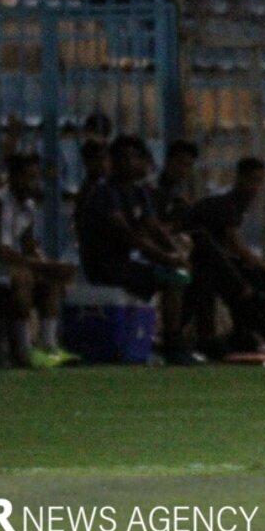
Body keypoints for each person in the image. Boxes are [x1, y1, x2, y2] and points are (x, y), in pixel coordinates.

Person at [76, 135, 201, 366]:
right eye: (123, 158)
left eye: (134, 157)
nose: (130, 163)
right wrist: (169, 259)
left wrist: (177, 254)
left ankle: (164, 338)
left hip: (125, 264)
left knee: (182, 274)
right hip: (104, 266)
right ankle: (172, 343)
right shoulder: (105, 193)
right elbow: (130, 236)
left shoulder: (139, 192)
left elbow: (154, 229)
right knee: (173, 278)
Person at [0, 152, 77, 369]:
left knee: (50, 281)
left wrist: (49, 267)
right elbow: (4, 252)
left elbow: (29, 245)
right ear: (13, 177)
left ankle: (48, 345)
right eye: (28, 177)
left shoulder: (27, 205)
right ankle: (24, 349)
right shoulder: (1, 204)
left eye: (36, 177)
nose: (33, 183)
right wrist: (45, 266)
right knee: (23, 277)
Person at [185, 157, 265, 355]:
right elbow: (235, 244)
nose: (255, 187)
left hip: (214, 260)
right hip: (198, 260)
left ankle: (249, 329)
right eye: (251, 180)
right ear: (239, 178)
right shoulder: (228, 204)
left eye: (259, 181)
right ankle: (252, 320)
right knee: (245, 275)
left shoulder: (236, 205)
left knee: (255, 274)